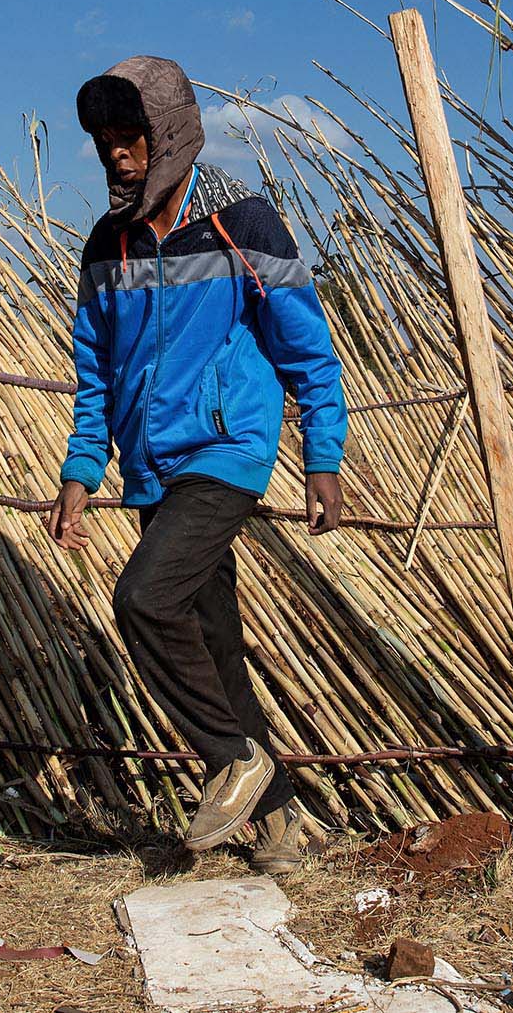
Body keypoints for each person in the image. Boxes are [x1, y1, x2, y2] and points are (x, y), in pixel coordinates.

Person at [46, 55, 348, 875]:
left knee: (143, 597)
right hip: (151, 468)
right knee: (214, 649)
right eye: (107, 142)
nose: (117, 155)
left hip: (226, 452)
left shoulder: (241, 222)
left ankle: (233, 758)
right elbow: (96, 371)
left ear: (170, 134)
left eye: (132, 138)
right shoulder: (105, 247)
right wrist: (82, 469)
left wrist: (323, 452)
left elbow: (307, 343)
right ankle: (282, 819)